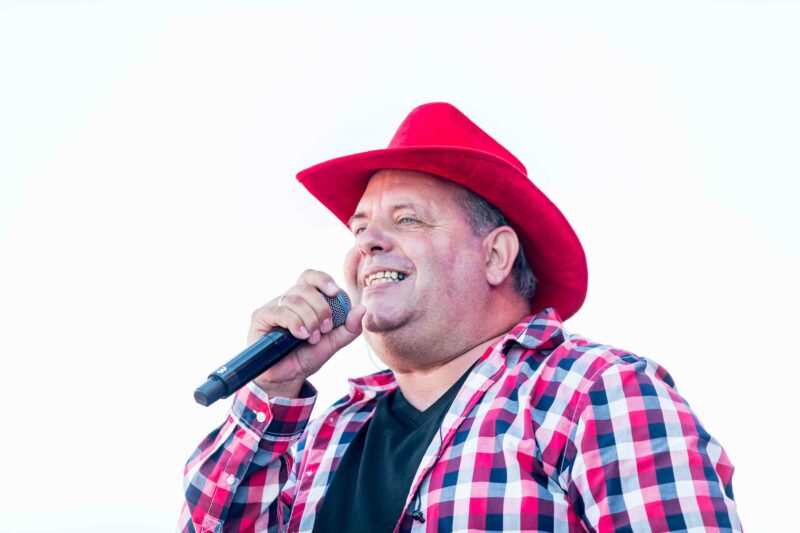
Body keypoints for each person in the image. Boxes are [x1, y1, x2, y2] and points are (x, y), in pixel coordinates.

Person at [178, 103, 741, 532]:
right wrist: (271, 392)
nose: (367, 242)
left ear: (496, 255)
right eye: (360, 227)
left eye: (408, 220)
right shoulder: (327, 435)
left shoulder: (597, 394)